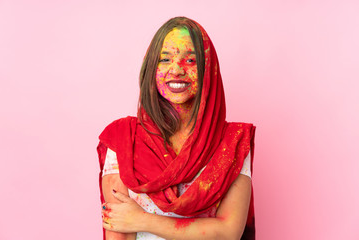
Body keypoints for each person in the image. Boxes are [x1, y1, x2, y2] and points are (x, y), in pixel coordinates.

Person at [97, 16, 256, 240]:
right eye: (165, 59)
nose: (177, 69)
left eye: (191, 61)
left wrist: (143, 220)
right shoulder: (124, 138)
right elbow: (119, 228)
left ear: (208, 70)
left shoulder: (231, 142)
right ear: (151, 68)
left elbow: (228, 233)